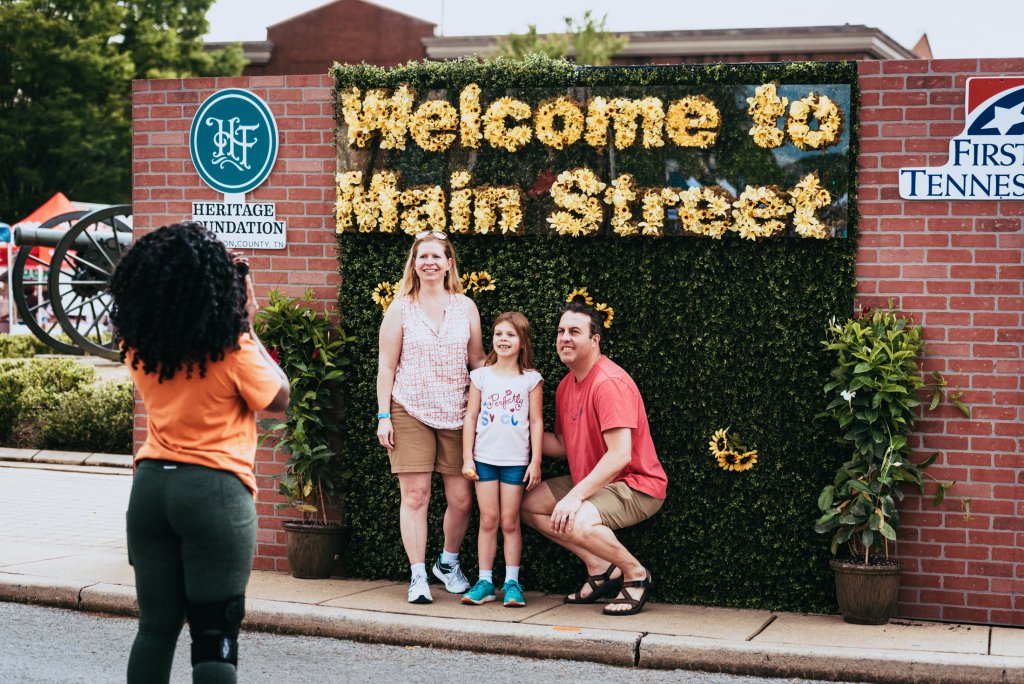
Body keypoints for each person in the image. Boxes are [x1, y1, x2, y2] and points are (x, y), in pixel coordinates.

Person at [110, 222, 289, 684]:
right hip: (214, 492)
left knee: (154, 629)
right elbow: (278, 399)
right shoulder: (230, 347)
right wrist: (247, 325)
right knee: (214, 634)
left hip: (150, 490)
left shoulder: (138, 344)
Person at [521, 301, 668, 616]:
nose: (565, 338)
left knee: (578, 519)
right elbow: (563, 444)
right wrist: (513, 428)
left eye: (575, 331)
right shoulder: (565, 385)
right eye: (561, 331)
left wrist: (575, 496)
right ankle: (600, 566)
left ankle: (635, 573)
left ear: (595, 339)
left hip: (636, 484)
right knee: (530, 505)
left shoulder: (608, 383)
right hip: (594, 481)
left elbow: (620, 454)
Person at [376, 231, 486, 604]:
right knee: (416, 495)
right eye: (422, 257)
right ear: (414, 263)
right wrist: (383, 416)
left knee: (462, 500)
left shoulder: (465, 307)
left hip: (458, 413)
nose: (430, 263)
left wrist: (511, 380)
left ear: (449, 263)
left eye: (437, 257)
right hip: (410, 409)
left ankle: (447, 563)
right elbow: (386, 366)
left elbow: (477, 361)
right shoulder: (401, 307)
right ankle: (418, 576)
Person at [460, 312, 543, 607]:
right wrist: (467, 458)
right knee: (488, 519)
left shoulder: (531, 379)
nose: (503, 339)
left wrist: (536, 462)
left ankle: (511, 583)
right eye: (498, 334)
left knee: (509, 521)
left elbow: (536, 422)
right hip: (483, 460)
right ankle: (485, 581)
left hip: (516, 461)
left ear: (522, 341)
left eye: (510, 334)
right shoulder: (481, 375)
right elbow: (470, 417)